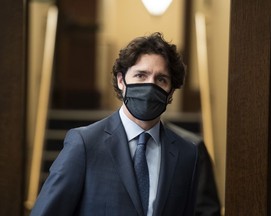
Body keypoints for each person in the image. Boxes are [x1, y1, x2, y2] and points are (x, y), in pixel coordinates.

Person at [31, 32, 199, 216]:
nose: (150, 86)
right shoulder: (85, 144)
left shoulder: (187, 155)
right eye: (141, 75)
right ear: (121, 81)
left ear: (171, 90)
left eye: (161, 79)